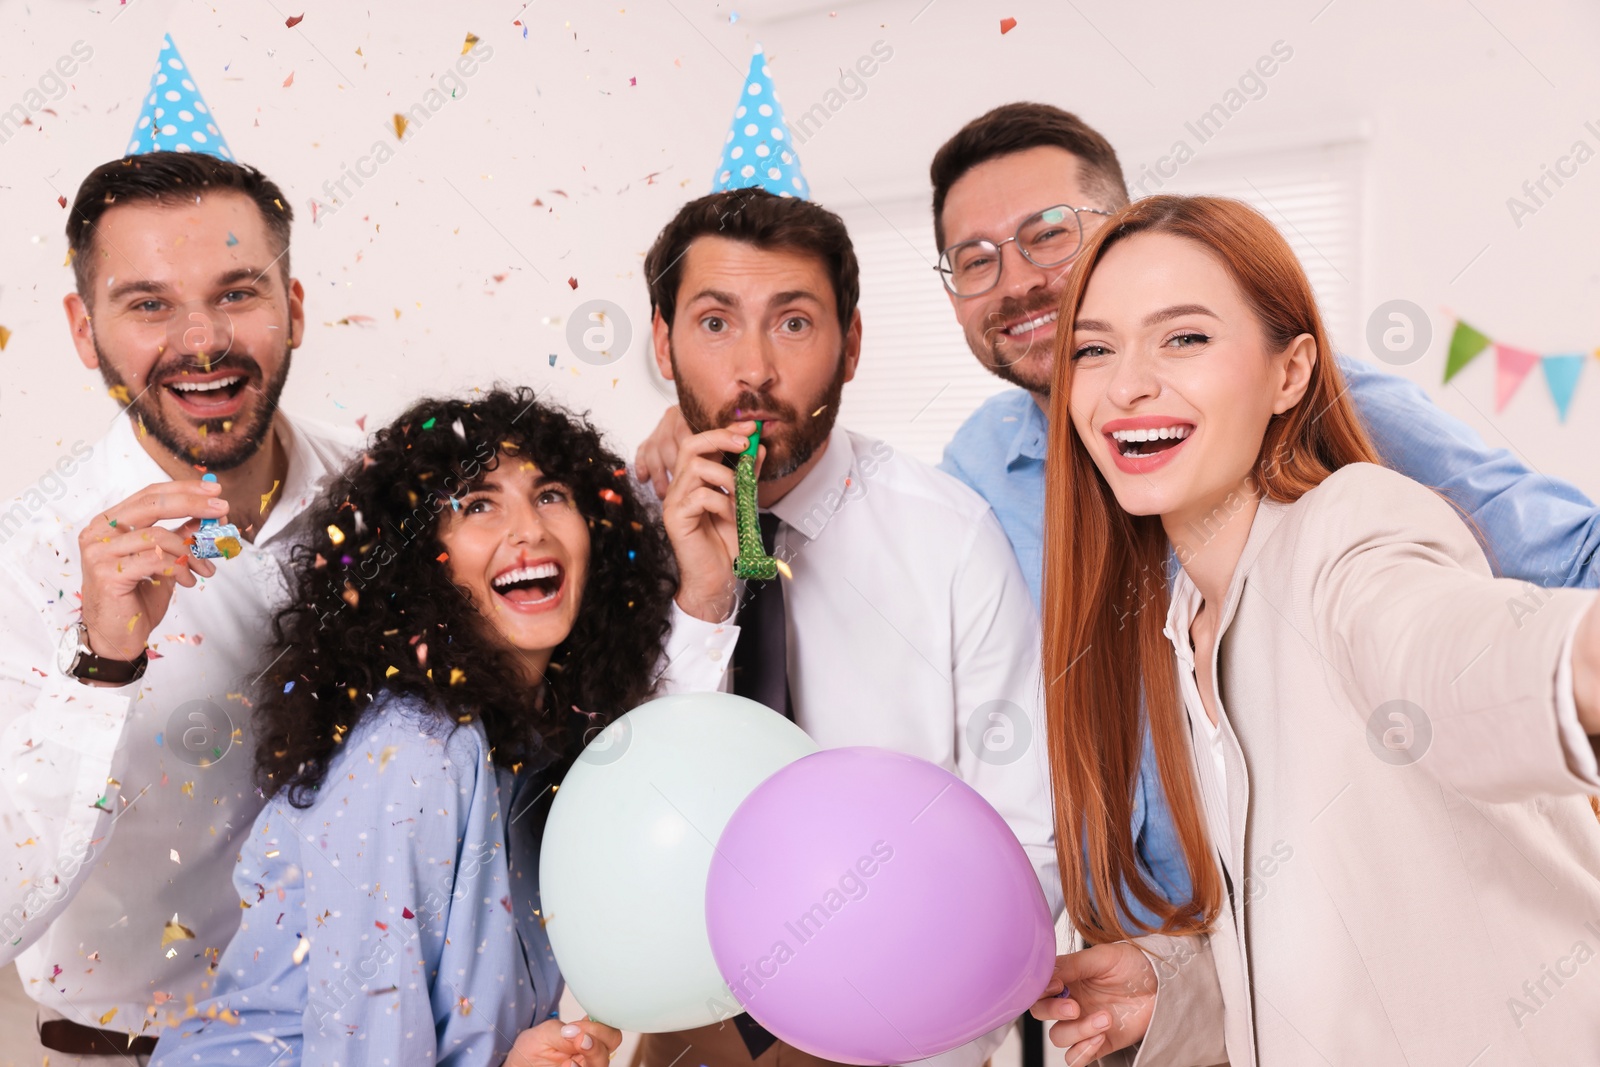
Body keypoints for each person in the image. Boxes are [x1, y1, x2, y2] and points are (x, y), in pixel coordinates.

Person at [635, 101, 1600, 934]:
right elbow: (863, 532)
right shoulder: (977, 470)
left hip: (1360, 928)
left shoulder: (1309, 407)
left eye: (1050, 232)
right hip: (1156, 968)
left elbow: (1507, 598)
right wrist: (715, 411)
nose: (1016, 281)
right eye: (975, 258)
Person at [1026, 194, 1600, 1066]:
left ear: (1290, 373)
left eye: (1184, 337)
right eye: (1095, 349)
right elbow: (1334, 950)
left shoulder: (1349, 528)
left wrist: (1574, 659)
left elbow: (1446, 649)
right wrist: (1174, 987)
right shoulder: (1190, 623)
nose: (1126, 383)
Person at [643, 187, 1054, 1067]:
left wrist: (926, 1029)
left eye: (793, 323)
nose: (753, 368)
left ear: (852, 344)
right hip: (686, 1025)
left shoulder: (951, 540)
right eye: (715, 324)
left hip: (908, 1032)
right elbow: (631, 811)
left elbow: (1026, 840)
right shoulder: (610, 545)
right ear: (660, 342)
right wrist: (701, 610)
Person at [149, 388, 664, 1065]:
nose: (530, 530)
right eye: (479, 504)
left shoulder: (535, 746)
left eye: (551, 495)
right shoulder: (416, 751)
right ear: (420, 558)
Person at [0, 150, 363, 1060]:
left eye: (238, 292)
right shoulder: (24, 558)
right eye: (149, 303)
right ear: (85, 330)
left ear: (296, 308)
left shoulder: (382, 495)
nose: (202, 341)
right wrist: (104, 667)